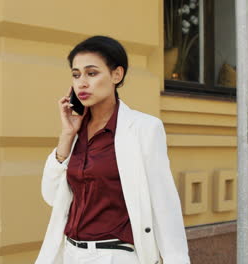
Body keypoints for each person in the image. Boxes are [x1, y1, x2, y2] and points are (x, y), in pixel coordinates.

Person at [34, 35, 190, 264]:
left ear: (117, 75)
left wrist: (176, 259)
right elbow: (51, 196)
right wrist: (66, 136)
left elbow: (164, 204)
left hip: (115, 256)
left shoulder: (144, 129)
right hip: (70, 254)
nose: (82, 83)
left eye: (92, 73)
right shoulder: (76, 133)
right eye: (76, 75)